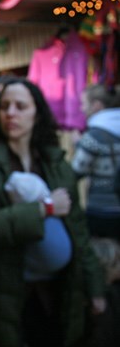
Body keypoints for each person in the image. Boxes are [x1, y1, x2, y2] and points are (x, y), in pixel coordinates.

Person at [0, 77, 106, 347]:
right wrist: (45, 209)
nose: (11, 113)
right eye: (5, 106)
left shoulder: (56, 163)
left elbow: (78, 231)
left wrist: (95, 288)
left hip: (58, 290)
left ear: (37, 113)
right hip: (5, 290)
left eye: (20, 106)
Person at [71, 84, 120, 240]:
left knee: (105, 258)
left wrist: (78, 145)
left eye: (84, 103)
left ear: (97, 105)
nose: (82, 109)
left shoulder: (94, 136)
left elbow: (76, 172)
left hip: (102, 210)